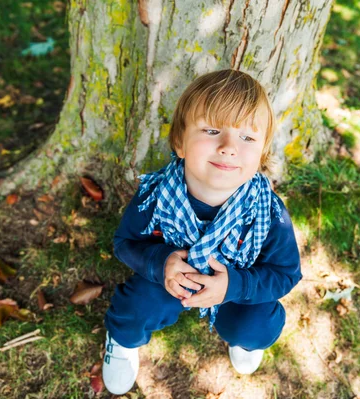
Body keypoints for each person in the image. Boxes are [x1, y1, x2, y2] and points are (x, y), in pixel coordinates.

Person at [102, 69, 302, 395]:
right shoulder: (156, 195)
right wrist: (161, 262)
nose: (228, 147)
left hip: (234, 286)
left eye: (247, 138)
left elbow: (285, 274)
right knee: (139, 305)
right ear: (180, 142)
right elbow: (125, 242)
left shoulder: (268, 211)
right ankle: (122, 341)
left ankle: (245, 339)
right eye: (211, 130)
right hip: (172, 281)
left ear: (262, 154)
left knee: (257, 325)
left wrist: (234, 286)